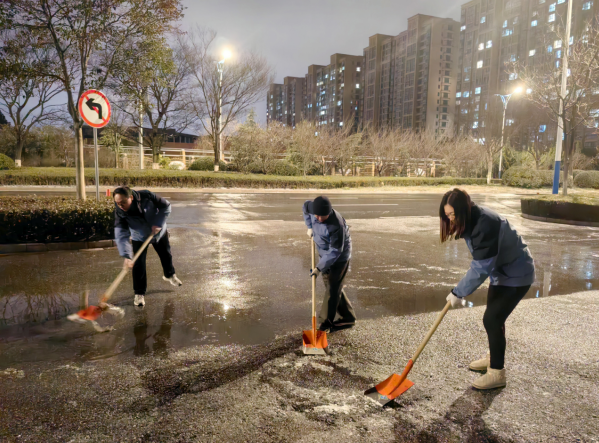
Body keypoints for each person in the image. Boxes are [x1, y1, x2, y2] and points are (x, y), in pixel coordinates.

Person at [440, 188, 534, 390]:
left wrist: (458, 292)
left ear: (463, 210)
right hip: (501, 274)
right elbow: (483, 263)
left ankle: (497, 374)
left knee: (492, 318)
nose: (450, 220)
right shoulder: (472, 221)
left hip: (517, 274)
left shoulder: (485, 223)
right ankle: (494, 357)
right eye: (447, 215)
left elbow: (481, 266)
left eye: (452, 215)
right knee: (494, 320)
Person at [114, 186, 182, 307]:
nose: (120, 205)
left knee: (165, 254)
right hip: (138, 236)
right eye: (117, 203)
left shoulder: (146, 196)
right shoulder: (120, 212)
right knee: (138, 263)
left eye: (123, 202)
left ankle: (169, 275)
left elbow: (165, 206)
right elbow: (121, 233)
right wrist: (126, 255)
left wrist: (158, 223)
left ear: (130, 197)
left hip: (158, 232)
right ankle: (139, 293)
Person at [303, 196, 356, 333]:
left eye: (323, 216)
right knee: (333, 286)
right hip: (324, 253)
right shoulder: (311, 207)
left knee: (332, 289)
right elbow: (305, 207)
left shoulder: (336, 224)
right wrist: (309, 227)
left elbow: (335, 251)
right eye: (317, 216)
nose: (319, 219)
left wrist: (319, 268)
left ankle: (326, 324)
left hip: (339, 257)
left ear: (329, 212)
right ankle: (348, 316)